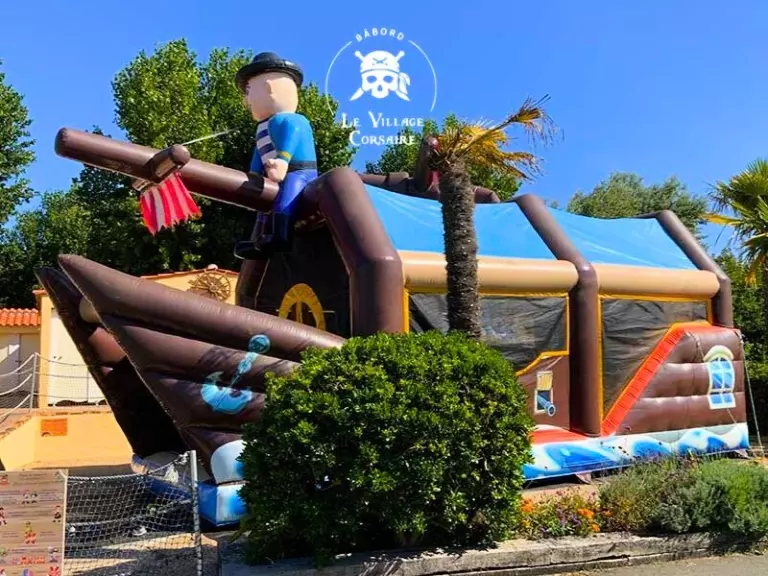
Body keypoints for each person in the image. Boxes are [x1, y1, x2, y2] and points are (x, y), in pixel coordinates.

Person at [234, 52, 318, 257]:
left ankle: (281, 236)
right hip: (273, 174)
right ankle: (257, 241)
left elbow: (291, 139)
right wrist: (254, 174)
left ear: (269, 88)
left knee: (286, 199)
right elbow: (259, 152)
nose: (246, 100)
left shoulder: (291, 120)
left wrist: (283, 161)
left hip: (299, 172)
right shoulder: (263, 127)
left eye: (248, 91)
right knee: (263, 208)